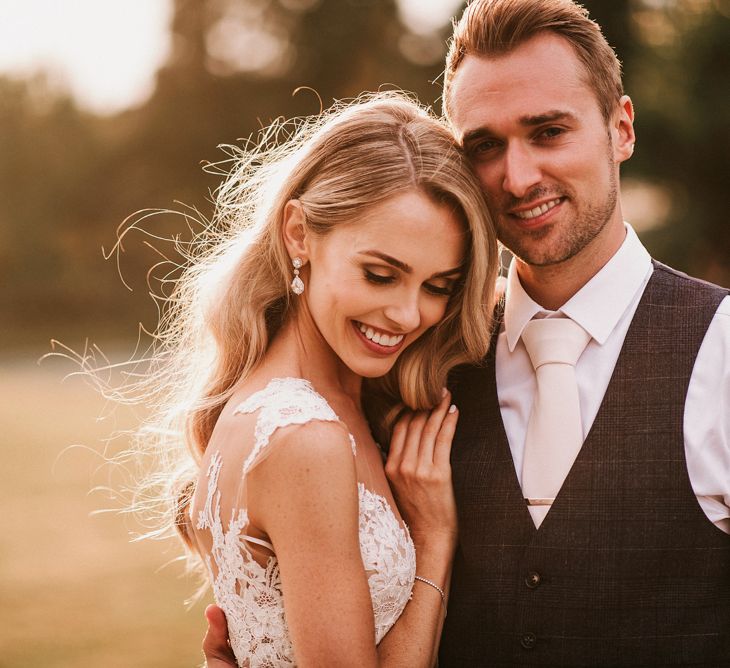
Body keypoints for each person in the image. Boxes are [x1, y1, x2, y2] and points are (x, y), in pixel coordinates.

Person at [201, 1, 730, 666]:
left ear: (620, 128)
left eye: (548, 132)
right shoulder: (410, 368)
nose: (518, 176)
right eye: (484, 145)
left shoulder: (723, 351)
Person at [147, 92, 499, 667]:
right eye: (381, 275)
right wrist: (434, 540)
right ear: (298, 234)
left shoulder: (317, 406)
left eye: (438, 287)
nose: (410, 315)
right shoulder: (303, 438)